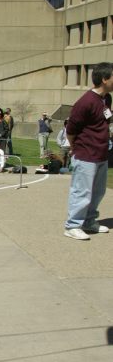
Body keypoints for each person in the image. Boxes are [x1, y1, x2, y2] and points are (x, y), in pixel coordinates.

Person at [64, 62, 113, 240]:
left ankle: (89, 221)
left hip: (101, 154)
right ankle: (72, 225)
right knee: (82, 192)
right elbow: (71, 130)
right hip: (85, 154)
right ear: (104, 79)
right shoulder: (85, 102)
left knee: (98, 192)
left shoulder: (107, 99)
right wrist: (74, 147)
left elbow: (104, 122)